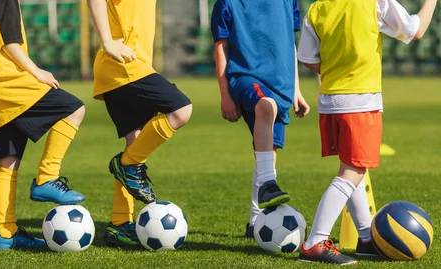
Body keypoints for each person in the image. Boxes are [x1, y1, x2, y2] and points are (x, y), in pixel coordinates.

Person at [297, 0, 437, 264]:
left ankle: (365, 239)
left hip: (330, 101)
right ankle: (316, 241)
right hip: (360, 101)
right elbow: (415, 30)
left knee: (353, 167)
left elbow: (307, 58)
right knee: (352, 172)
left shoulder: (316, 8)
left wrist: (338, 70)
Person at [0, 0, 86, 250]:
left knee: (8, 159)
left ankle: (6, 233)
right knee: (74, 109)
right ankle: (46, 178)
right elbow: (11, 43)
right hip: (8, 83)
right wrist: (36, 71)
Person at [87, 0, 193, 247]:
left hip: (131, 66)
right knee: (181, 110)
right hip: (122, 67)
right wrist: (107, 40)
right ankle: (126, 165)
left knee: (135, 141)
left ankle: (119, 225)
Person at [211, 0, 310, 238]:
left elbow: (290, 45)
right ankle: (268, 184)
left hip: (281, 82)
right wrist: (225, 94)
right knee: (265, 106)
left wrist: (296, 89)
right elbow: (221, 47)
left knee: (268, 150)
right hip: (245, 76)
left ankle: (255, 221)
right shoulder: (228, 2)